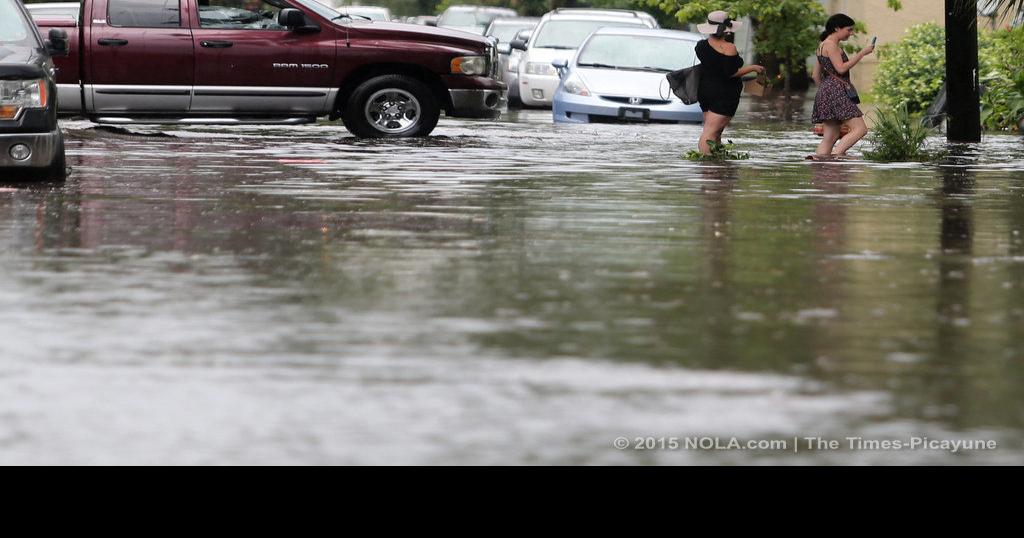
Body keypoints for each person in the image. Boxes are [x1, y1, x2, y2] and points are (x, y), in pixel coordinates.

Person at [694, 11, 764, 155]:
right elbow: (730, 73)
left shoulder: (700, 46)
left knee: (714, 131)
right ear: (727, 30)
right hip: (724, 94)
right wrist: (753, 68)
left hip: (705, 91)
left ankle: (716, 164)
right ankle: (706, 167)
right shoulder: (729, 48)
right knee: (710, 132)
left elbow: (713, 68)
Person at [811, 14, 874, 158]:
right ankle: (836, 156)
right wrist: (862, 53)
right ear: (837, 28)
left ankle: (821, 164)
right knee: (860, 129)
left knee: (830, 137)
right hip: (837, 91)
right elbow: (841, 69)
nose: (851, 33)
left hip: (825, 91)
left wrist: (826, 92)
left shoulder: (821, 46)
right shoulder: (831, 45)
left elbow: (815, 75)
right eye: (849, 30)